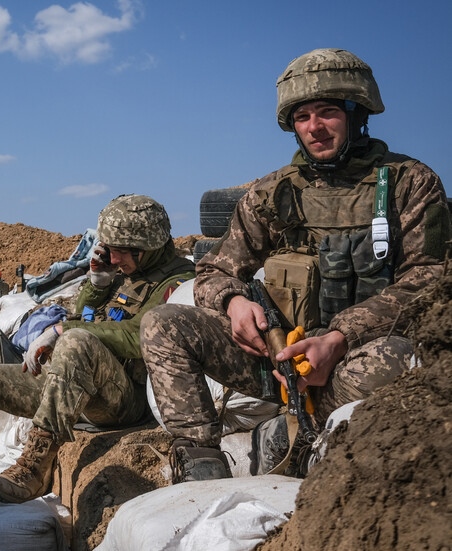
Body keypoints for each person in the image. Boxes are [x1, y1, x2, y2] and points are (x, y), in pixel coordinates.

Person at [141, 48, 450, 483]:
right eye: (302, 117)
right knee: (163, 324)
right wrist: (232, 303)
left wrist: (341, 338)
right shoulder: (273, 193)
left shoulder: (409, 183)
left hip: (353, 362)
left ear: (357, 113)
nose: (315, 127)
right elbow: (214, 271)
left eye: (327, 112)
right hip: (279, 361)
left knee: (396, 359)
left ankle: (292, 438)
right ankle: (200, 463)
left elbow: (428, 282)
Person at [0, 194, 195, 530]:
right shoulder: (129, 271)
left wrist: (63, 330)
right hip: (73, 384)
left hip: (123, 398)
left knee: (76, 339)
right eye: (109, 249)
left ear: (144, 246)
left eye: (118, 250)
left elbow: (138, 335)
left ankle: (33, 468)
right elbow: (83, 312)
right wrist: (97, 282)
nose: (112, 257)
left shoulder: (176, 281)